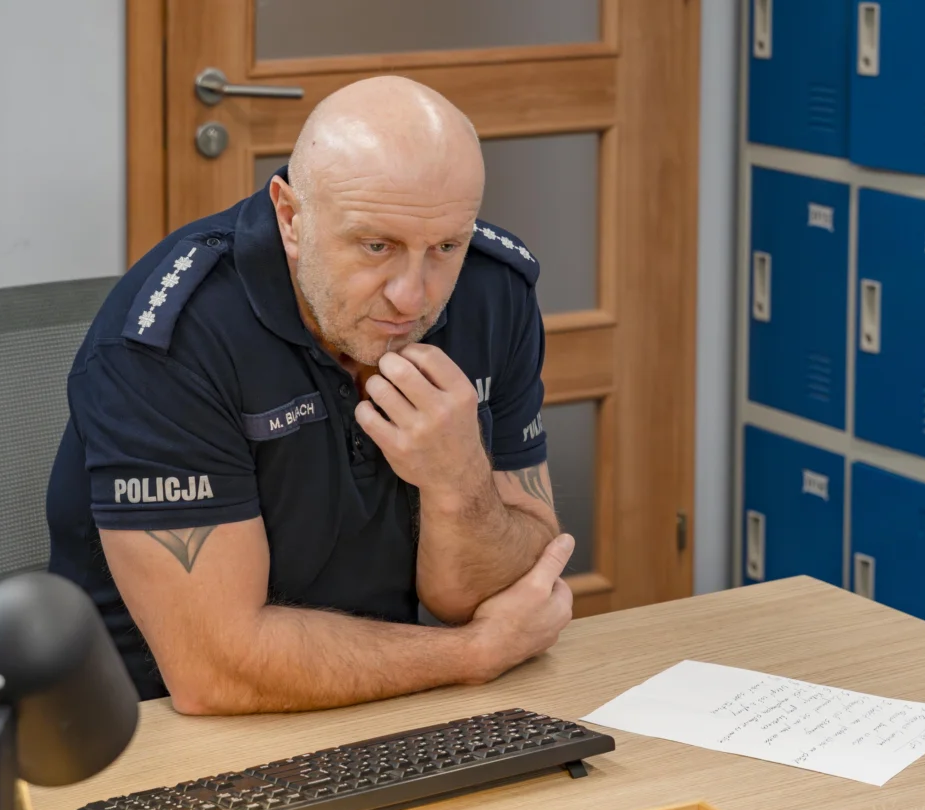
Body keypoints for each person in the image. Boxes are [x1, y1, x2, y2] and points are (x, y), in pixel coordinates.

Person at [45, 75, 574, 715]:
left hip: (390, 701)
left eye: (445, 246)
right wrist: (473, 654)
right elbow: (216, 672)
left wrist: (459, 482)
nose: (413, 297)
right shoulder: (173, 341)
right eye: (376, 246)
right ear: (292, 218)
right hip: (152, 733)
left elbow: (494, 590)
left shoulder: (493, 290)